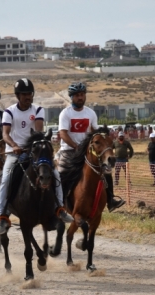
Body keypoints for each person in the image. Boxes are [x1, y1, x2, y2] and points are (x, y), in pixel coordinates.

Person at [0, 78, 73, 234]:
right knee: (5, 178)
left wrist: (31, 147)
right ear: (17, 95)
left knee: (55, 174)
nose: (28, 97)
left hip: (34, 153)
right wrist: (15, 146)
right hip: (15, 153)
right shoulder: (9, 111)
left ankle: (60, 208)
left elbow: (37, 132)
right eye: (24, 94)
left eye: (30, 93)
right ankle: (3, 215)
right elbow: (5, 134)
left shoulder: (38, 110)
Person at [57, 82, 124, 212]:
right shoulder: (65, 113)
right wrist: (75, 146)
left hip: (88, 151)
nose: (80, 97)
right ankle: (59, 205)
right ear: (71, 97)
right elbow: (63, 134)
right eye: (77, 95)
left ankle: (110, 200)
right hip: (69, 151)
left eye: (82, 94)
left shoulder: (91, 113)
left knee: (106, 171)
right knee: (61, 175)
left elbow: (95, 133)